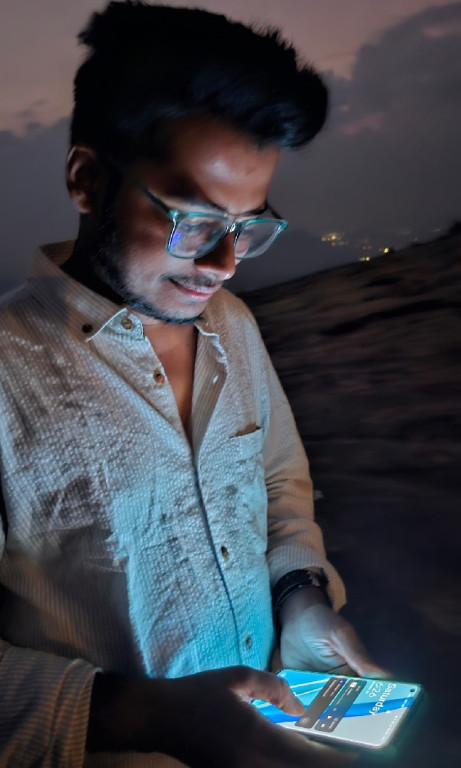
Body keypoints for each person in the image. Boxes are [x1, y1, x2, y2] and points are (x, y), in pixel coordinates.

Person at [0, 2, 386, 766]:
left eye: (247, 227)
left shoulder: (232, 324)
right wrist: (149, 717)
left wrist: (301, 599)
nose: (223, 264)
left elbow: (277, 484)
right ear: (87, 179)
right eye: (194, 221)